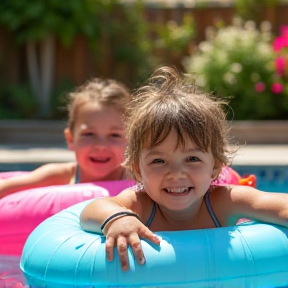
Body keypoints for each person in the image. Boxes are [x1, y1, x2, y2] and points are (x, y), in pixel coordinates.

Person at [80, 66, 288, 272]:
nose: (176, 173)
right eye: (159, 161)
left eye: (191, 158)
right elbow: (92, 210)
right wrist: (118, 219)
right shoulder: (140, 204)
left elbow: (279, 205)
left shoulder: (223, 202)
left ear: (215, 166)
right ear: (138, 169)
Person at [0, 78, 131, 199]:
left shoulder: (137, 181)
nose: (101, 146)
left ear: (131, 142)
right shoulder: (59, 176)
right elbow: (5, 188)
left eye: (115, 135)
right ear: (70, 139)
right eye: (89, 134)